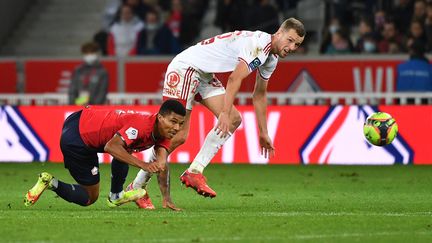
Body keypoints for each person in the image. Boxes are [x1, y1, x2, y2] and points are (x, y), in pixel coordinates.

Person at [127, 18, 305, 202]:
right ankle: (136, 187)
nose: (292, 47)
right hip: (186, 68)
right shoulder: (259, 45)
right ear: (279, 33)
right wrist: (223, 113)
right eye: (290, 40)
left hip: (203, 74)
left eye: (297, 44)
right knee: (178, 135)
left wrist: (263, 132)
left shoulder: (271, 58)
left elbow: (259, 95)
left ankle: (194, 171)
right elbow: (235, 79)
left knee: (235, 119)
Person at [24, 99, 186, 209]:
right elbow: (112, 147)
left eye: (180, 124)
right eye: (173, 121)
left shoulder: (163, 134)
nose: (177, 128)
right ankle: (50, 181)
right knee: (89, 198)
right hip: (78, 139)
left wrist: (166, 197)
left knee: (126, 148)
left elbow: (162, 163)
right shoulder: (142, 127)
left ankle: (115, 195)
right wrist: (144, 165)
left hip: (81, 118)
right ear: (160, 118)